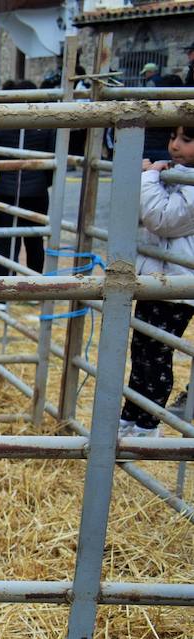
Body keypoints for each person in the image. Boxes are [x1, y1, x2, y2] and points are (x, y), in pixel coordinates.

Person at [119, 125, 194, 439]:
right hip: (158, 279)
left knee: (158, 354)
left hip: (178, 287)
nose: (175, 146)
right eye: (174, 138)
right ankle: (132, 414)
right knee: (142, 350)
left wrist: (148, 177)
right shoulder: (178, 175)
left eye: (186, 140)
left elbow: (161, 219)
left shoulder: (187, 182)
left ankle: (149, 423)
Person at [0, 80, 55, 302]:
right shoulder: (45, 125)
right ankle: (33, 291)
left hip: (5, 191)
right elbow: (53, 162)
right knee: (34, 241)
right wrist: (41, 182)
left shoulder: (1, 124)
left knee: (4, 241)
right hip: (37, 193)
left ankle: (2, 296)